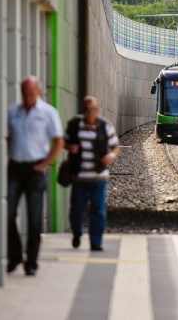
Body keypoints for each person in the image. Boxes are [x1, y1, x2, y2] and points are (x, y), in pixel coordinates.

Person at [6, 76, 64, 276]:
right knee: (8, 214)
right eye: (25, 94)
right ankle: (14, 256)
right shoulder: (12, 111)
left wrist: (45, 163)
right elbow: (7, 138)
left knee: (34, 218)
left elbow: (58, 142)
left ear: (38, 92)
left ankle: (31, 261)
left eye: (31, 94)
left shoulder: (48, 113)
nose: (28, 98)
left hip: (35, 170)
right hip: (15, 168)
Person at [65, 95, 120, 251]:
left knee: (98, 209)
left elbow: (115, 146)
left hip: (98, 176)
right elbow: (64, 141)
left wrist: (111, 156)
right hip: (79, 177)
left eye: (94, 109)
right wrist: (70, 148)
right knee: (77, 209)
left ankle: (96, 241)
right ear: (82, 110)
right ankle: (77, 233)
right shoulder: (75, 125)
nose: (91, 112)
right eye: (88, 109)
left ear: (98, 110)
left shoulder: (105, 126)